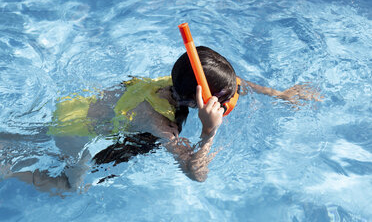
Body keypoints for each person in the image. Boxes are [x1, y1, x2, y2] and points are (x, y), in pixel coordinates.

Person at [0, 46, 322, 193]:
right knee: (71, 187)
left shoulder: (175, 81)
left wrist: (279, 94)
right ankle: (9, 172)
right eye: (222, 101)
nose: (230, 101)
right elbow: (196, 174)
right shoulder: (163, 125)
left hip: (77, 108)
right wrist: (209, 132)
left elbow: (237, 83)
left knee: (30, 137)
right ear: (201, 100)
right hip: (77, 136)